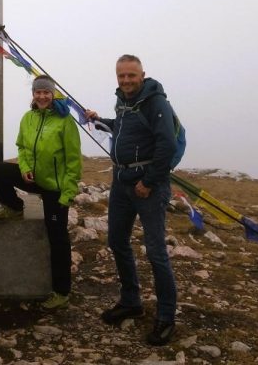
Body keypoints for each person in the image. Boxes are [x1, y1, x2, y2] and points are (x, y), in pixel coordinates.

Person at [84, 54, 178, 346]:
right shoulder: (123, 102)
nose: (126, 81)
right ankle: (131, 302)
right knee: (117, 241)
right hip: (122, 183)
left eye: (131, 76)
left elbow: (167, 145)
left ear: (142, 75)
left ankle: (165, 316)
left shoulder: (156, 102)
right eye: (121, 76)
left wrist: (148, 182)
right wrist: (100, 121)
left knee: (155, 252)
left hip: (147, 187)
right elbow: (124, 130)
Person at [0, 74, 82, 310]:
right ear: (33, 94)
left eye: (46, 92)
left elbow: (73, 162)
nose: (41, 96)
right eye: (38, 92)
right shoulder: (28, 118)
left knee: (57, 236)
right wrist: (26, 167)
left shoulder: (64, 121)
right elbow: (22, 146)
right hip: (34, 177)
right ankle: (14, 208)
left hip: (55, 188)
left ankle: (61, 291)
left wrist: (66, 195)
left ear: (53, 94)